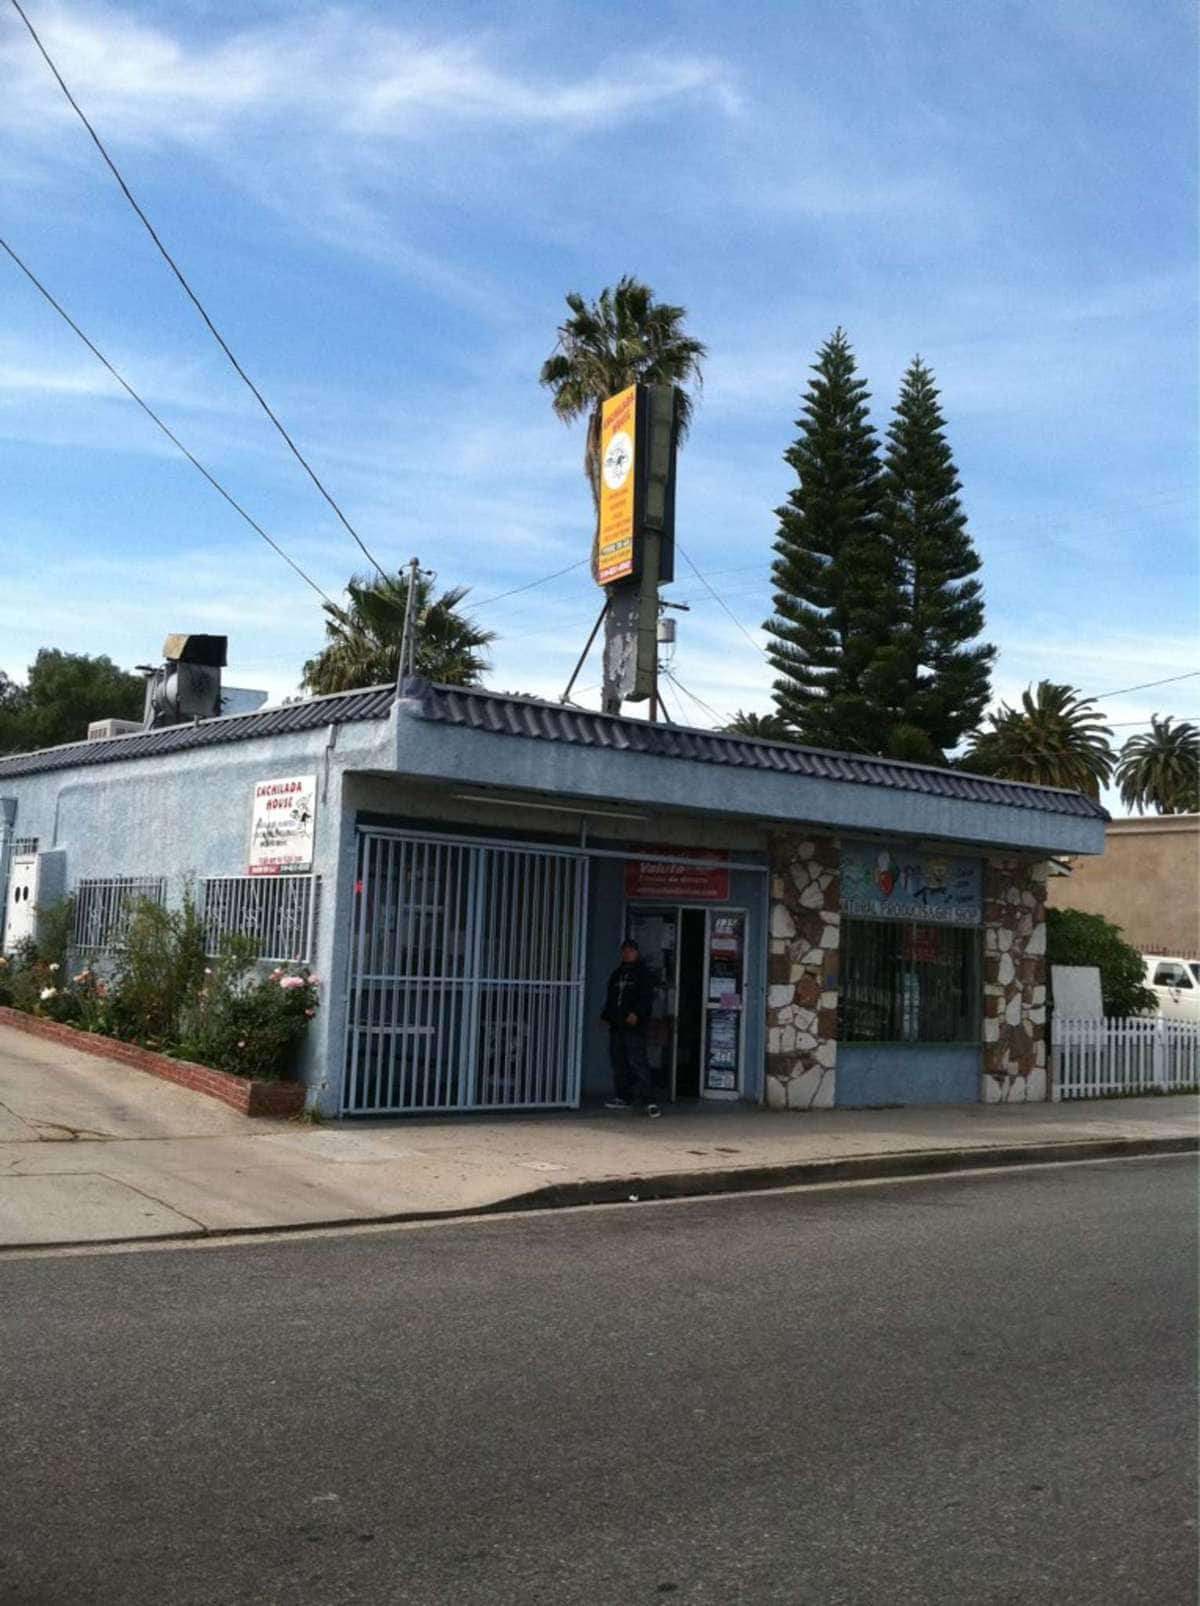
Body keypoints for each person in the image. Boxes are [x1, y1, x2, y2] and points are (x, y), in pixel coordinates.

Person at [601, 937, 660, 1117]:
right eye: (625, 951)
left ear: (637, 952)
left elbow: (646, 998)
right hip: (617, 1025)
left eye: (630, 950)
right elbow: (611, 998)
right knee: (619, 1062)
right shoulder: (617, 974)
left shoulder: (643, 974)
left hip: (635, 1027)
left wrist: (637, 1014)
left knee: (637, 1061)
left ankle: (649, 1100)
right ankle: (623, 1097)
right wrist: (605, 1016)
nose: (627, 953)